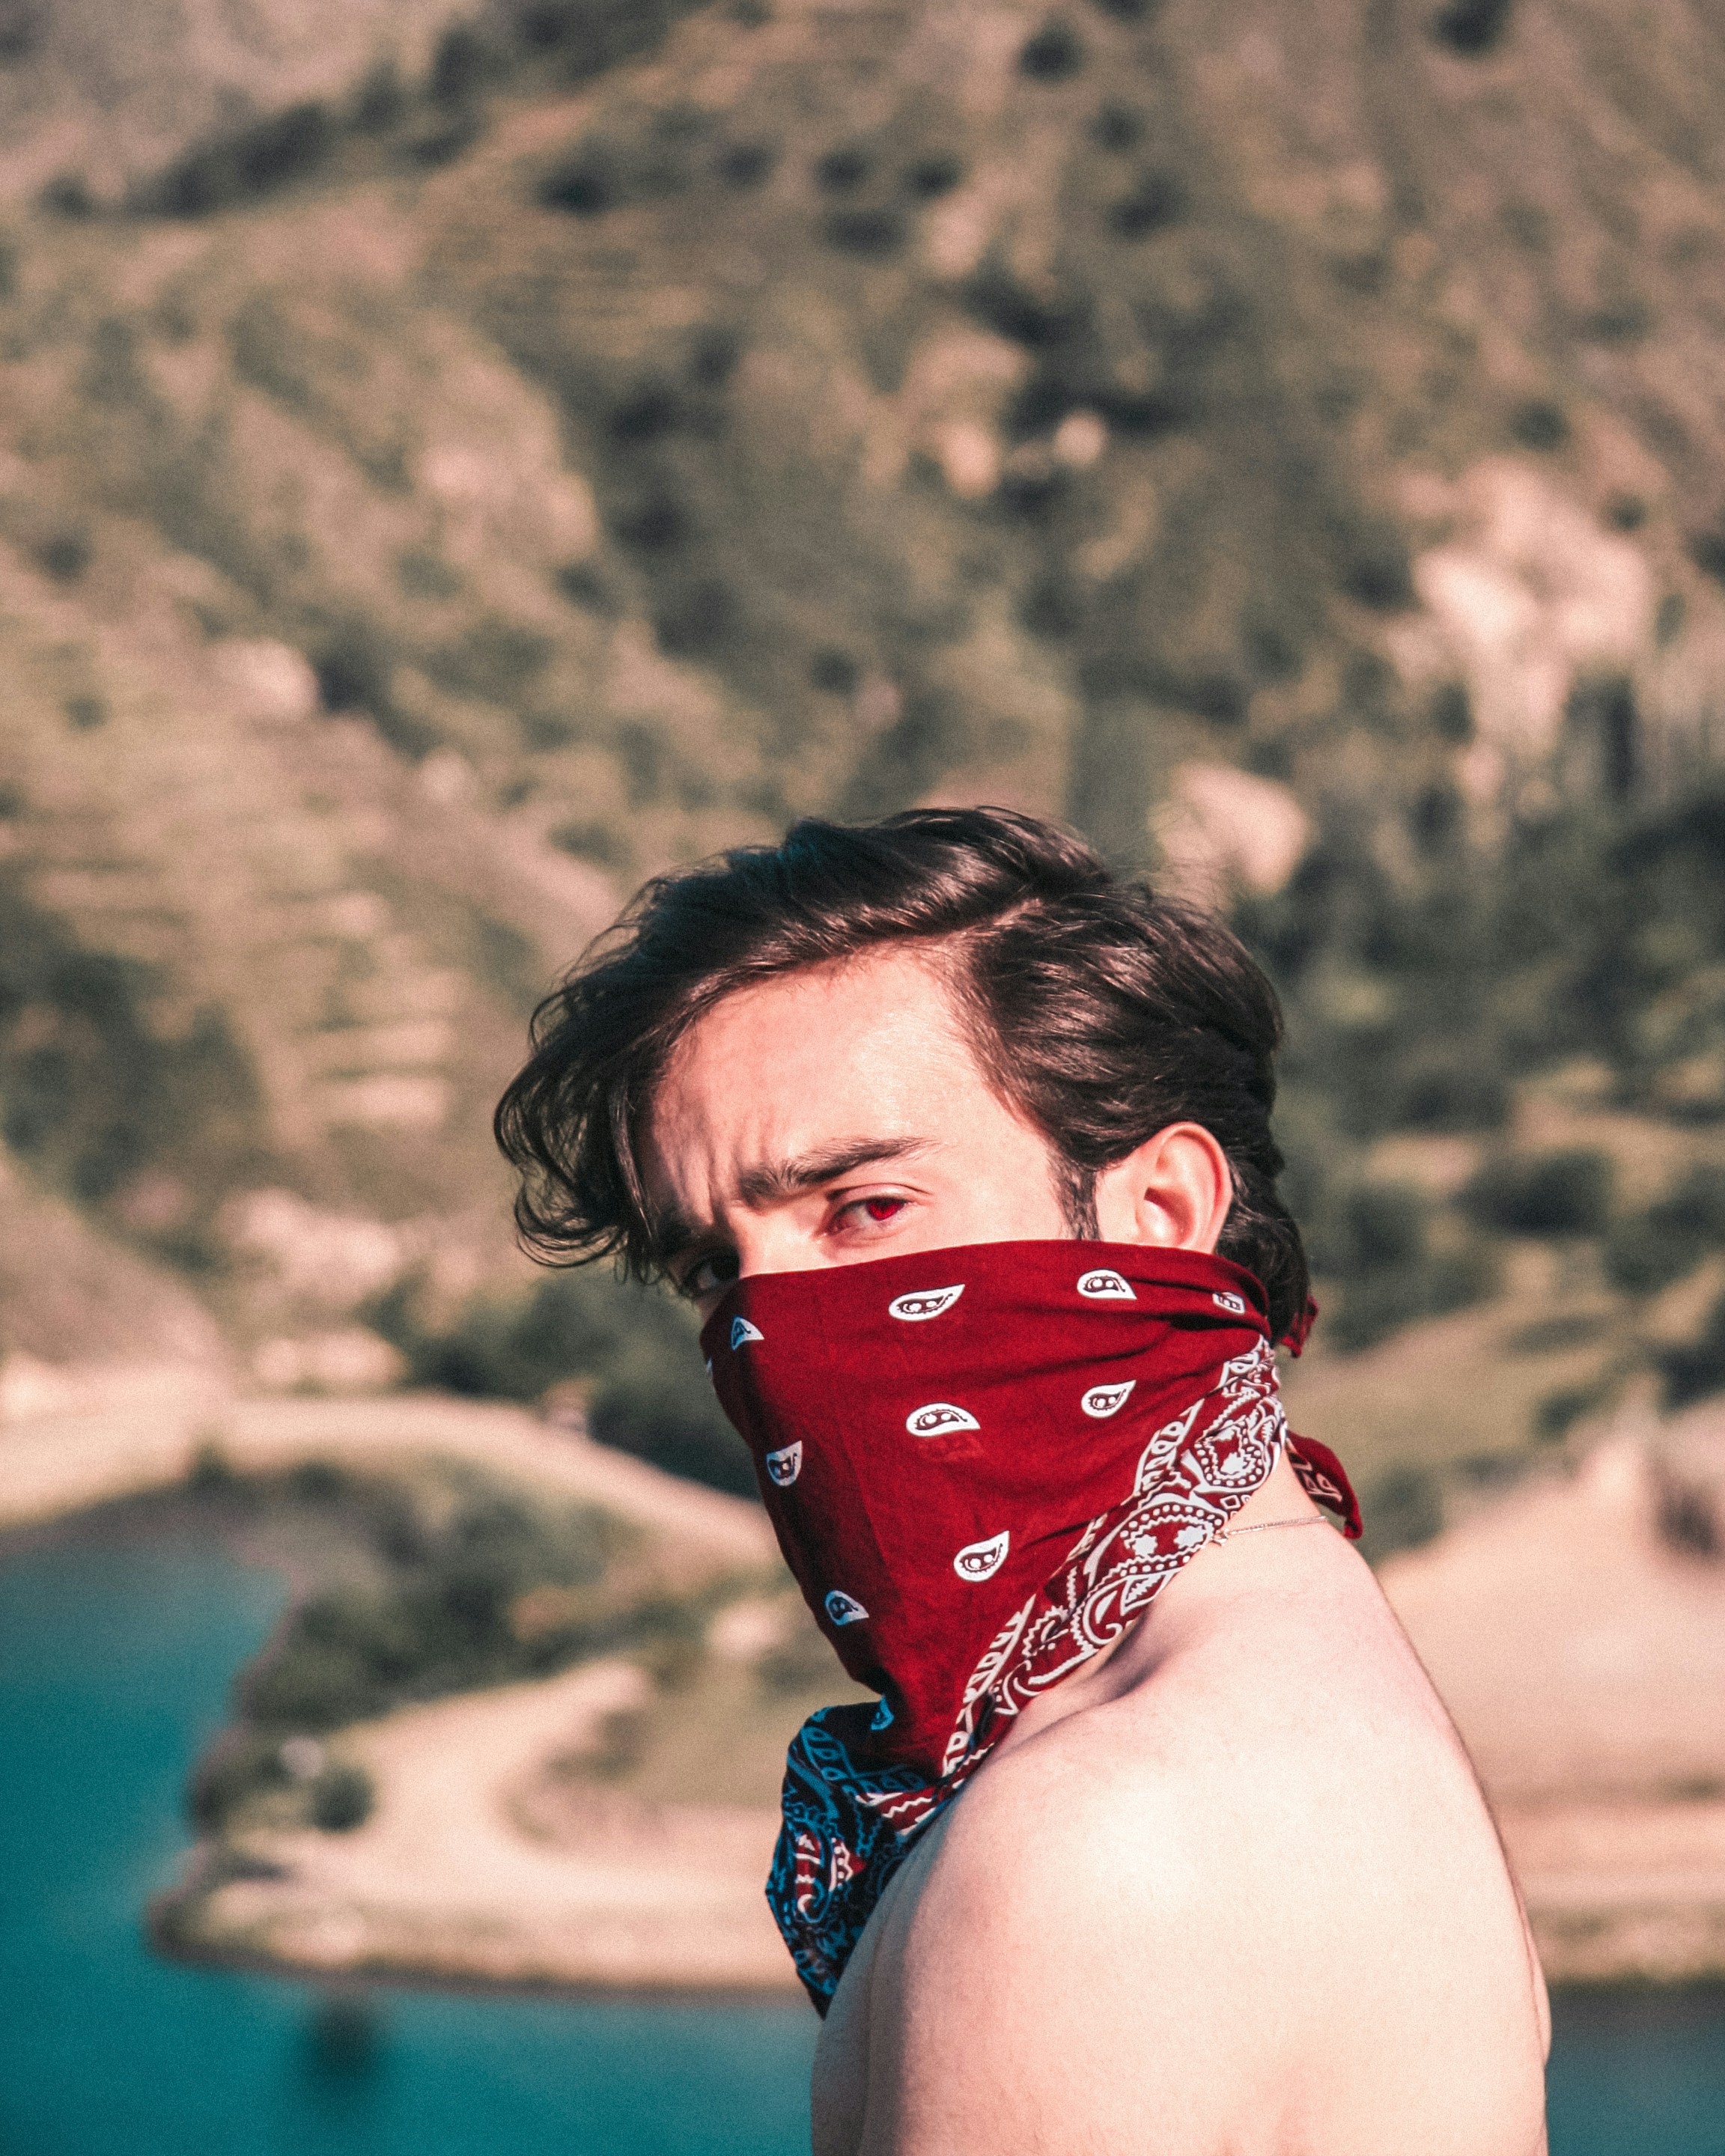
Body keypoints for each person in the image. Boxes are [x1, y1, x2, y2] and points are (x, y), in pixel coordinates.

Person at [496, 808, 1550, 2155]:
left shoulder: (1096, 1851)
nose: (771, 1333)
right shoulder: (1316, 1661)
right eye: (716, 1269)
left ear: (1160, 1212)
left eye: (865, 1206)